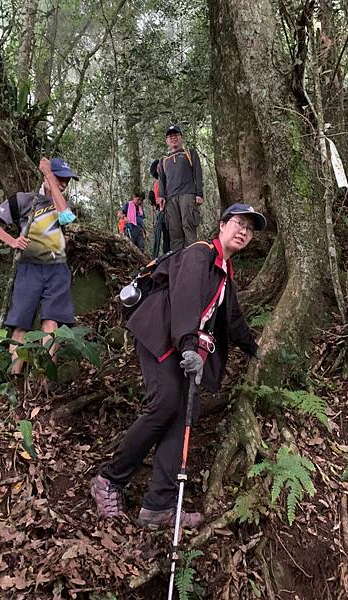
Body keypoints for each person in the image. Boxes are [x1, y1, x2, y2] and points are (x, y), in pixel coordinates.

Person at [90, 202, 266, 529]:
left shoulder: (225, 273)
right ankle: (109, 480)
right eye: (239, 223)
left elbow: (233, 319)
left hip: (181, 345)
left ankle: (159, 505)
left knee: (185, 411)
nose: (244, 231)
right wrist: (190, 345)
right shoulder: (199, 255)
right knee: (166, 403)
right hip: (160, 336)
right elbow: (185, 297)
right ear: (222, 224)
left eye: (250, 229)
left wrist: (255, 349)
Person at [0, 157, 78, 374]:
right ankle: (16, 379)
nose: (64, 184)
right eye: (60, 179)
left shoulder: (62, 204)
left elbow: (66, 218)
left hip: (57, 269)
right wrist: (12, 241)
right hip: (29, 269)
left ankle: (46, 380)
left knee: (51, 323)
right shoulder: (23, 200)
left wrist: (50, 177)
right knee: (20, 326)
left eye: (66, 181)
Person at [157, 124, 204, 251]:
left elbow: (197, 173)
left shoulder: (190, 153)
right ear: (167, 141)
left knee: (188, 227)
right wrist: (161, 196)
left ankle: (193, 259)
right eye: (170, 136)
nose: (173, 138)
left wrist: (199, 194)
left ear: (181, 137)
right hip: (171, 199)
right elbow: (161, 180)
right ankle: (177, 263)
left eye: (176, 135)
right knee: (175, 232)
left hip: (187, 195)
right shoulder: (163, 161)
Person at [149, 159, 170, 257]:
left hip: (173, 211)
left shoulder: (170, 179)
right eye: (158, 167)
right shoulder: (157, 183)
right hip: (163, 213)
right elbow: (158, 201)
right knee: (165, 237)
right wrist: (154, 201)